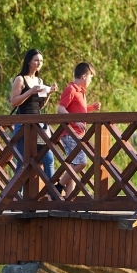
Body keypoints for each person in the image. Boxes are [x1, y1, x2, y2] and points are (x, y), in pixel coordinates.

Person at [10, 49, 57, 180]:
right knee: (22, 162)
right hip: (23, 124)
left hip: (38, 125)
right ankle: (16, 195)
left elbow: (39, 105)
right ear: (29, 61)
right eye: (36, 60)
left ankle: (52, 194)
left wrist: (48, 94)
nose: (39, 63)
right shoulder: (20, 79)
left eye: (41, 61)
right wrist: (29, 92)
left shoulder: (39, 81)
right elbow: (14, 102)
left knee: (48, 158)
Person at [55, 62, 101, 197]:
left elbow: (78, 110)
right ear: (84, 76)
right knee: (81, 162)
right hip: (70, 133)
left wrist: (91, 108)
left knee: (74, 165)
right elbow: (60, 109)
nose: (91, 81)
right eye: (91, 78)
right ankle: (58, 186)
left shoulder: (81, 92)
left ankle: (69, 200)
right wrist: (75, 120)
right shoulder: (71, 89)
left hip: (78, 134)